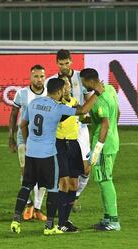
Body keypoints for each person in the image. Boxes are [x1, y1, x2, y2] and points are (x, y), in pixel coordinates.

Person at [10, 78, 104, 235]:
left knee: (26, 186)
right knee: (54, 188)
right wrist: (98, 93)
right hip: (48, 153)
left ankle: (15, 220)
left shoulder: (33, 103)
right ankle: (49, 227)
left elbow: (22, 125)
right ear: (60, 91)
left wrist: (28, 142)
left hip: (31, 152)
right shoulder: (58, 108)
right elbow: (82, 110)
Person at [46, 49, 92, 212]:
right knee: (62, 170)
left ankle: (75, 195)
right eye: (61, 63)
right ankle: (62, 202)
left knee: (86, 168)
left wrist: (88, 116)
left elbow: (87, 103)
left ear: (71, 61)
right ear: (56, 63)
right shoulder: (50, 81)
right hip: (61, 129)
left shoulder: (81, 77)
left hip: (80, 128)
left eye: (66, 63)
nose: (64, 67)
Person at [80, 68, 121, 231]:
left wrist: (97, 149)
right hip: (113, 141)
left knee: (105, 181)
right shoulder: (110, 88)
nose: (83, 87)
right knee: (105, 179)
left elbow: (104, 124)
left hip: (103, 145)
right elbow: (117, 113)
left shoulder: (100, 100)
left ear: (90, 82)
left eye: (84, 83)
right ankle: (107, 218)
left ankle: (114, 221)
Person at [8, 64, 47, 221]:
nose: (39, 79)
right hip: (23, 139)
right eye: (36, 76)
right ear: (30, 77)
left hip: (44, 140)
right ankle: (29, 203)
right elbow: (13, 115)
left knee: (44, 175)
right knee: (26, 174)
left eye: (41, 76)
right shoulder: (22, 93)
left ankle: (37, 209)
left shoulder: (50, 94)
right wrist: (10, 137)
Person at [55, 75, 83, 232]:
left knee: (74, 184)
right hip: (61, 145)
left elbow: (82, 117)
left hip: (74, 144)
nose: (68, 87)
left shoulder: (74, 102)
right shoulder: (57, 105)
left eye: (69, 84)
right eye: (64, 85)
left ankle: (65, 220)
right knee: (64, 184)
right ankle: (60, 222)